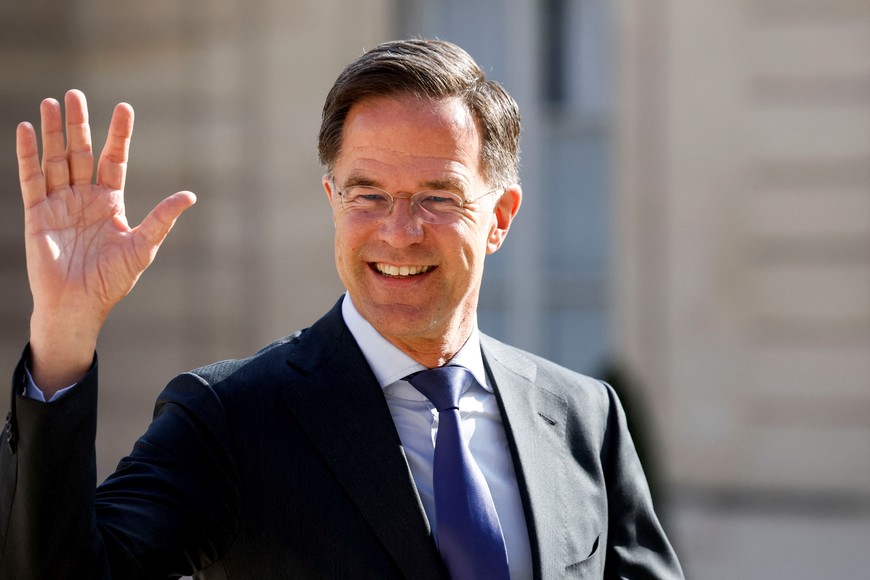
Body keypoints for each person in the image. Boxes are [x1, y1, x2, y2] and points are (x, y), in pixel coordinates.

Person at [0, 39, 683, 579]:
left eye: (437, 197)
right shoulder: (231, 419)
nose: (399, 231)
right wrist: (63, 331)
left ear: (500, 216)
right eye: (368, 194)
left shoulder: (583, 418)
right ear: (332, 201)